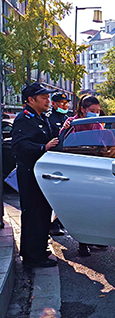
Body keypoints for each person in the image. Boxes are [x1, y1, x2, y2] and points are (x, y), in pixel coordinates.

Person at [12, 83, 59, 268]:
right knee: (33, 214)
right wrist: (43, 147)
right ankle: (33, 257)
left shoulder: (41, 117)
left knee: (42, 213)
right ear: (31, 100)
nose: (48, 100)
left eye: (48, 97)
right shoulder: (24, 119)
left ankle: (38, 249)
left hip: (41, 174)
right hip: (30, 175)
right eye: (43, 97)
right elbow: (19, 147)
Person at [61, 95, 108, 257]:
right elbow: (63, 140)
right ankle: (83, 243)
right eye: (92, 111)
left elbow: (104, 144)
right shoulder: (72, 123)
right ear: (83, 109)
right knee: (82, 207)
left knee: (96, 207)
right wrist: (67, 128)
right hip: (78, 169)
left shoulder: (96, 125)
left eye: (97, 111)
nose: (95, 113)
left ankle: (96, 237)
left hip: (95, 169)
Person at [47, 92, 71, 237]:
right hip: (53, 160)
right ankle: (53, 224)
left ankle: (60, 222)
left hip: (67, 159)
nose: (64, 105)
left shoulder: (68, 119)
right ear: (53, 104)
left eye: (66, 103)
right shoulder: (49, 119)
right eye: (61, 103)